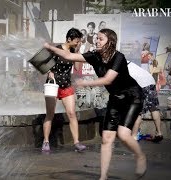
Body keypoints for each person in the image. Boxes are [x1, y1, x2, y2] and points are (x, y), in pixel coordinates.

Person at [44, 28, 146, 179]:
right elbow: (68, 55)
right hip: (115, 97)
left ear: (110, 42)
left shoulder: (118, 57)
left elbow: (108, 79)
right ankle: (103, 177)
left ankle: (140, 156)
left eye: (101, 39)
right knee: (106, 139)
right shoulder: (94, 56)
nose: (97, 41)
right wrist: (49, 47)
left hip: (132, 96)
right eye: (96, 38)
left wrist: (85, 84)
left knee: (124, 135)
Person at [41, 28, 86, 152]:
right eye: (76, 41)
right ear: (69, 39)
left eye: (79, 42)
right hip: (53, 85)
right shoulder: (57, 49)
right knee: (50, 114)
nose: (78, 43)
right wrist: (49, 71)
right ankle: (45, 141)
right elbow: (43, 62)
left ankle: (76, 142)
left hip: (66, 85)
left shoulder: (72, 51)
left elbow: (77, 68)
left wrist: (77, 51)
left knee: (72, 113)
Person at [128, 61, 163, 143]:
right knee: (154, 108)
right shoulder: (129, 63)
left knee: (138, 111)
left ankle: (134, 135)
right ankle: (159, 133)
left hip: (142, 85)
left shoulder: (119, 66)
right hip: (150, 82)